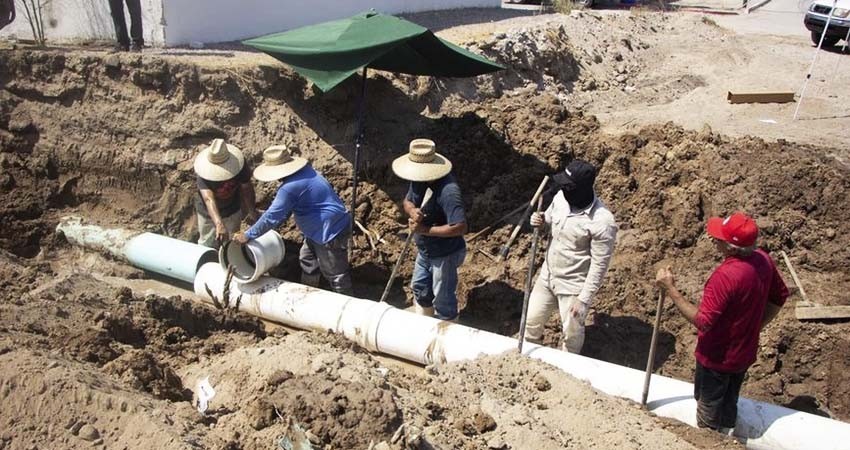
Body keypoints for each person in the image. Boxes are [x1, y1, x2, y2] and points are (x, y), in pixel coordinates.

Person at [655, 212, 788, 434]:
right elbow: (779, 297)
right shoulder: (763, 260)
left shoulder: (726, 277)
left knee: (708, 408)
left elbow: (703, 321)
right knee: (729, 403)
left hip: (716, 358)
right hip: (743, 354)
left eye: (718, 238)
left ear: (730, 248)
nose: (714, 240)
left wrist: (670, 290)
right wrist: (756, 327)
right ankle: (727, 431)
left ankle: (711, 439)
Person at [524, 160, 617, 353]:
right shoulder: (560, 198)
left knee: (571, 334)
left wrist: (583, 300)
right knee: (531, 321)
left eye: (568, 187)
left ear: (582, 189)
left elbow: (599, 266)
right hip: (547, 277)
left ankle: (568, 368)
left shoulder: (602, 222)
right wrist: (540, 222)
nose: (563, 190)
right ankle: (527, 361)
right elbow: (548, 221)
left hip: (573, 286)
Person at [233, 145, 353, 295]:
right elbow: (288, 209)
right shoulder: (306, 172)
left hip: (329, 232)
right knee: (307, 260)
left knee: (335, 275)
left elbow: (272, 217)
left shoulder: (289, 188)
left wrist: (248, 235)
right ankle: (309, 293)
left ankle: (346, 307)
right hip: (319, 229)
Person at [392, 139, 467, 321]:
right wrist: (412, 210)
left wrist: (425, 230)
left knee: (443, 297)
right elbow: (408, 201)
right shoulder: (419, 180)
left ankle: (446, 331)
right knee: (420, 287)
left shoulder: (448, 192)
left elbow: (460, 227)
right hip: (425, 250)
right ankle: (424, 323)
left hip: (445, 254)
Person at [193, 139, 258, 249]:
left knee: (233, 243)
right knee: (206, 244)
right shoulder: (204, 173)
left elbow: (246, 188)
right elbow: (208, 199)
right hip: (207, 214)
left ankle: (228, 261)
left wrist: (252, 211)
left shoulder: (239, 165)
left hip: (233, 209)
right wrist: (219, 224)